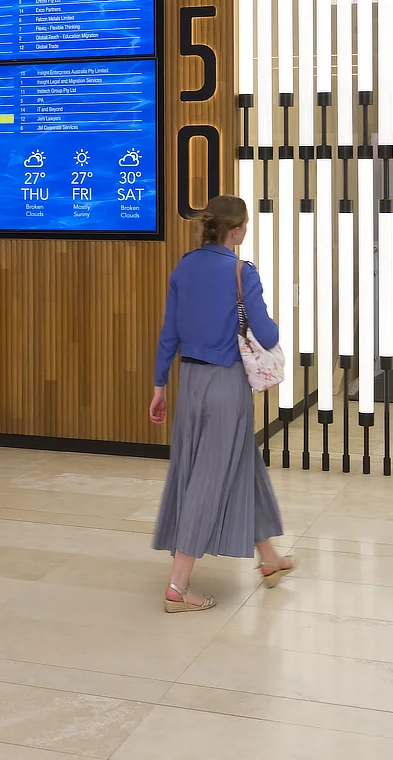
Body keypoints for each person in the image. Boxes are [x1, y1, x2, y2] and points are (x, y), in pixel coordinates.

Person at [150, 194, 293, 612]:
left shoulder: (185, 265)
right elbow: (265, 334)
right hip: (226, 385)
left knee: (239, 466)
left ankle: (269, 559)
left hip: (190, 382)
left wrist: (159, 385)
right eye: (245, 225)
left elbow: (168, 331)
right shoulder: (240, 271)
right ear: (236, 230)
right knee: (209, 478)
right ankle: (178, 586)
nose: (246, 231)